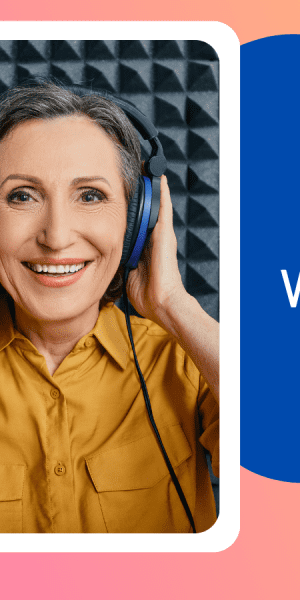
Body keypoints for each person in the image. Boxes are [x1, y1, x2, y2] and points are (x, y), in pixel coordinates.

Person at [0, 81, 219, 533]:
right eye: (22, 195)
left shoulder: (187, 361)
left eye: (90, 196)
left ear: (139, 219)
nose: (56, 236)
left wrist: (175, 306)